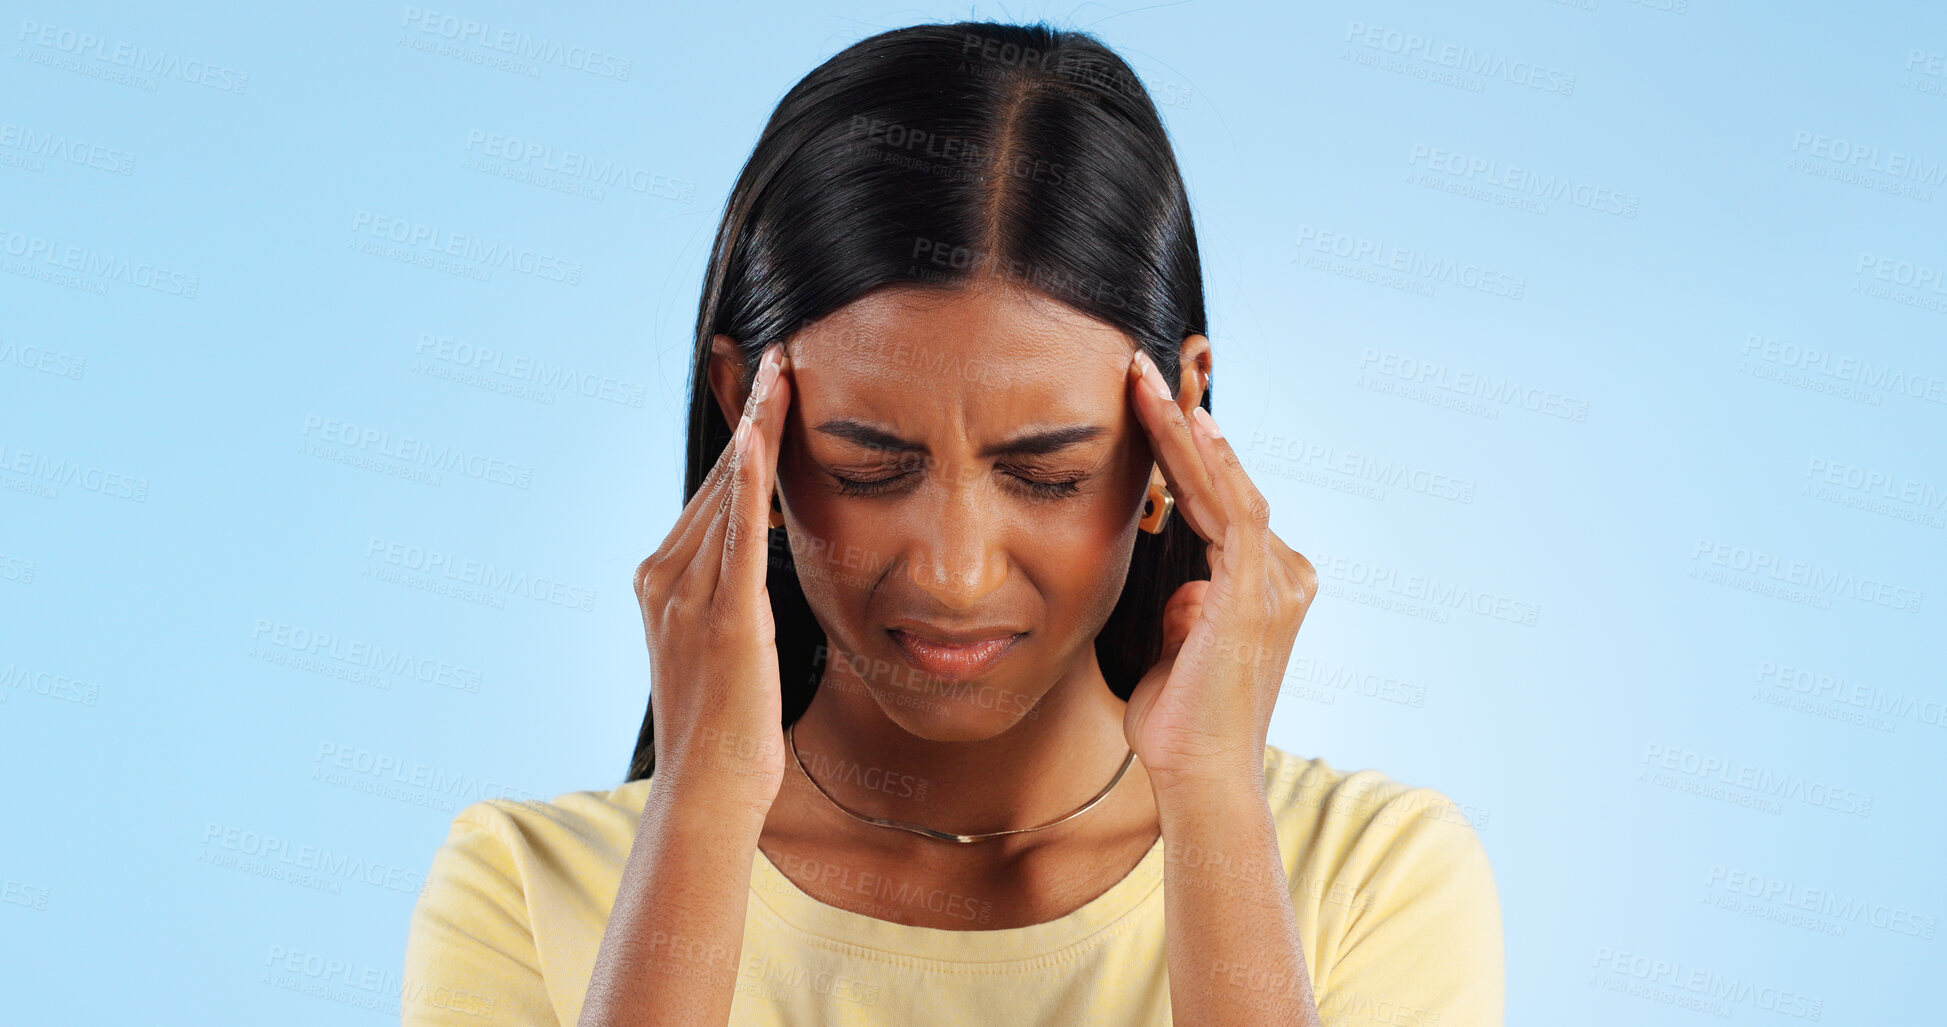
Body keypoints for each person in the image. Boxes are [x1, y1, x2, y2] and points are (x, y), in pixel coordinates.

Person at [403, 20, 1503, 1027]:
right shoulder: (531, 887)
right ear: (752, 421)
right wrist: (701, 807)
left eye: (1048, 474)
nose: (957, 573)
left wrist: (1214, 793)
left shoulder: (1369, 876)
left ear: (1177, 432)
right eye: (870, 467)